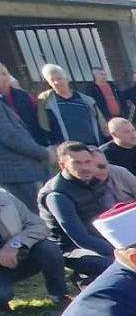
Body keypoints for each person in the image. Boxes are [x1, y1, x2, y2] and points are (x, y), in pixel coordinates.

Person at [37, 142, 113, 283]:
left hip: (102, 237)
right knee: (115, 263)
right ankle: (84, 278)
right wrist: (117, 248)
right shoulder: (57, 195)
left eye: (87, 161)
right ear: (63, 165)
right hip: (72, 248)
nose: (85, 167)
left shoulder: (94, 181)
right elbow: (80, 238)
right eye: (77, 163)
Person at [0, 185, 69, 310]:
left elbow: (39, 225)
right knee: (3, 296)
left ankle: (58, 294)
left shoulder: (4, 196)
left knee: (49, 249)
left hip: (19, 257)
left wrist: (14, 245)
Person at [0, 64, 54, 210]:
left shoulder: (11, 98)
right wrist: (43, 152)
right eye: (1, 74)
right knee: (41, 215)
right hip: (19, 172)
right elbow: (11, 136)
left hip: (26, 170)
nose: (5, 78)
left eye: (5, 73)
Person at [37, 64, 106, 146]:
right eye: (52, 80)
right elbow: (44, 125)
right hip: (67, 147)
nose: (56, 82)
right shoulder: (46, 101)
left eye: (59, 78)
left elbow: (102, 124)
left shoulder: (86, 100)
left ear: (67, 79)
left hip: (92, 145)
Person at [0, 61, 46, 146]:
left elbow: (40, 120)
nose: (3, 78)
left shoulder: (24, 96)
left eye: (4, 74)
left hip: (36, 144)